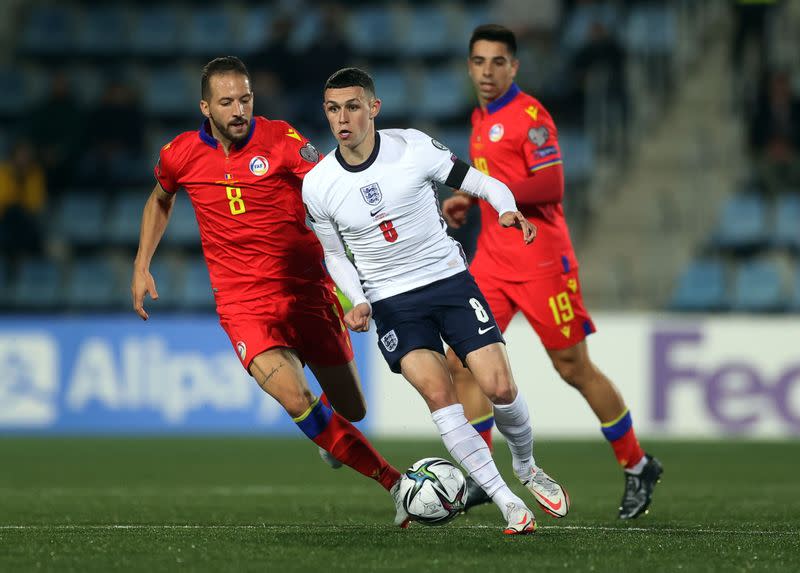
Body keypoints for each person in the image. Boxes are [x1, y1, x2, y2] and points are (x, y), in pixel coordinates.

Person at [130, 56, 409, 527]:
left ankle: (335, 439)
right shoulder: (179, 153)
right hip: (243, 306)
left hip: (307, 292)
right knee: (297, 399)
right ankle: (397, 485)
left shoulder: (281, 140)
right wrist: (141, 265)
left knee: (352, 409)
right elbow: (161, 197)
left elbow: (331, 188)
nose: (239, 109)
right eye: (227, 102)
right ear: (206, 107)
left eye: (245, 99)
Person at [302, 67, 570, 535]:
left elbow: (481, 183)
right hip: (392, 303)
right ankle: (508, 502)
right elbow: (333, 253)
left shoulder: (411, 147)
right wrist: (358, 298)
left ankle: (525, 466)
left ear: (373, 108)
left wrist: (507, 208)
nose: (341, 118)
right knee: (439, 392)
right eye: (332, 108)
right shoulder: (319, 183)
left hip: (448, 281)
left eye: (351, 106)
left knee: (499, 387)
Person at [442, 24, 662, 520]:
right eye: (478, 61)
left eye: (498, 62)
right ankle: (482, 474)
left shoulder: (531, 116)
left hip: (541, 262)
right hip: (493, 263)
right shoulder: (481, 117)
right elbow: (498, 184)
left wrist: (484, 190)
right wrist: (468, 199)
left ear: (514, 67)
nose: (487, 71)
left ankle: (637, 464)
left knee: (573, 368)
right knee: (462, 361)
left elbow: (551, 184)